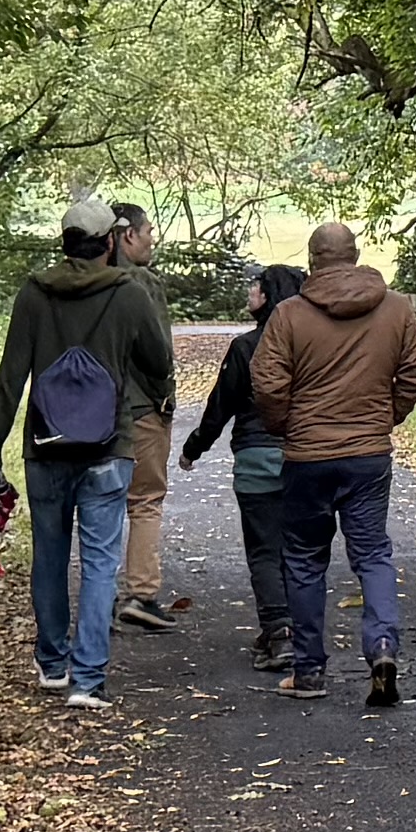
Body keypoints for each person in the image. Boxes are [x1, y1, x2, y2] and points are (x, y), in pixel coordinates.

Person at [0, 193, 177, 712]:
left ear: (65, 244)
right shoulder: (128, 295)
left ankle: (51, 662)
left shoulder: (35, 294)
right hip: (110, 445)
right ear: (110, 242)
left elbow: (10, 377)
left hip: (45, 446)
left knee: (49, 554)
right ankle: (88, 680)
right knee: (101, 560)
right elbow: (158, 362)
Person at [247, 219, 416, 707]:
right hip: (369, 456)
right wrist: (386, 415)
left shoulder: (288, 316)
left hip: (307, 457)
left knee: (305, 562)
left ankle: (309, 672)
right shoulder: (395, 309)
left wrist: (285, 427)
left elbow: (266, 384)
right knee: (372, 555)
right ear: (355, 255)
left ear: (313, 261)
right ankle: (383, 647)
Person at [179, 260, 315, 691]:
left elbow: (221, 406)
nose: (249, 293)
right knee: (298, 548)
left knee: (262, 549)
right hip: (306, 458)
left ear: (269, 294)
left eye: (256, 287)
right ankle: (297, 628)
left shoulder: (247, 347)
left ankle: (279, 632)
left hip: (258, 458)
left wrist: (192, 448)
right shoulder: (311, 344)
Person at [110, 206, 182, 635]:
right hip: (139, 409)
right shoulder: (141, 284)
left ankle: (98, 598)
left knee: (99, 505)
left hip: (87, 412)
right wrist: (163, 401)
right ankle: (140, 593)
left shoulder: (81, 283)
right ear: (127, 236)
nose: (152, 239)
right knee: (145, 501)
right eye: (147, 231)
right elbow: (159, 354)